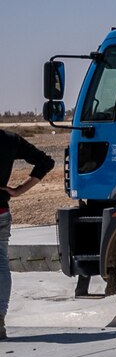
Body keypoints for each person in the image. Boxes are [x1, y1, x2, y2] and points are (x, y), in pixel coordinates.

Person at [1, 128, 55, 341]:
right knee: (1, 265)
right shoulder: (9, 140)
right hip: (1, 212)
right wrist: (19, 191)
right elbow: (46, 162)